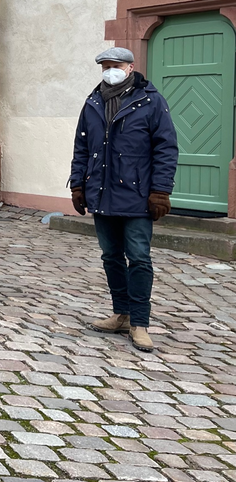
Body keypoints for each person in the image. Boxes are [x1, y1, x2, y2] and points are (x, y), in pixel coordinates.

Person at [70, 47, 178, 353]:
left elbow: (166, 148)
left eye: (115, 65)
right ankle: (121, 313)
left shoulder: (151, 101)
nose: (109, 70)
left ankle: (140, 323)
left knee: (139, 258)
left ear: (130, 68)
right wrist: (78, 184)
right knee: (111, 257)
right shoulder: (93, 102)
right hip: (101, 193)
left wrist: (160, 191)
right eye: (105, 66)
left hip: (137, 196)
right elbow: (82, 147)